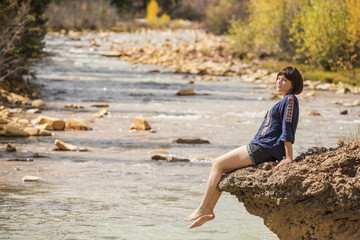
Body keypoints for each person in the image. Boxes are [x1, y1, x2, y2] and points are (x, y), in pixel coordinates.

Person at [184, 66, 303, 228]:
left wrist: (289, 157)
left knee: (217, 164)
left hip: (264, 147)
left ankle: (203, 207)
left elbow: (287, 127)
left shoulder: (289, 100)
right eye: (278, 78)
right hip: (262, 146)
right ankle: (209, 210)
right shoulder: (283, 101)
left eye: (284, 80)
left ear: (293, 85)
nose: (279, 82)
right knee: (223, 171)